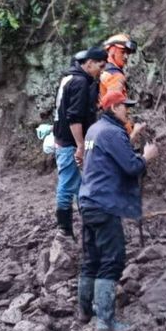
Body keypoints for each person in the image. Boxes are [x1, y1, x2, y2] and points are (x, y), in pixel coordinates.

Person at [77, 89, 159, 331]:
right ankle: (105, 321)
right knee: (111, 260)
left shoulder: (95, 129)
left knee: (91, 258)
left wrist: (131, 138)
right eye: (125, 107)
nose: (128, 111)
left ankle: (85, 311)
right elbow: (131, 166)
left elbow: (111, 155)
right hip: (104, 203)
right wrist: (146, 157)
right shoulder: (112, 132)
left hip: (88, 200)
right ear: (113, 108)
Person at [53, 48, 108, 238]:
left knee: (79, 183)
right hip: (70, 141)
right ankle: (64, 229)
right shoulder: (80, 82)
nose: (102, 70)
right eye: (101, 66)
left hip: (63, 138)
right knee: (68, 183)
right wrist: (80, 145)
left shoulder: (69, 77)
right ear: (89, 63)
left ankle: (88, 224)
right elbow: (74, 117)